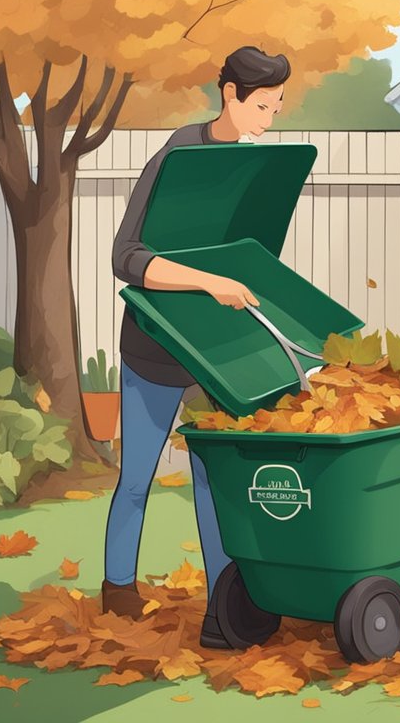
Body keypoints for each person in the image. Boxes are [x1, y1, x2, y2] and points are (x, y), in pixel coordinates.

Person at [104, 46, 287, 648]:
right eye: (263, 105)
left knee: (215, 482)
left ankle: (226, 602)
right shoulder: (178, 156)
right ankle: (118, 590)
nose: (270, 117)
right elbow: (127, 258)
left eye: (278, 105)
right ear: (230, 94)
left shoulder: (240, 164)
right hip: (156, 351)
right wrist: (209, 281)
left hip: (214, 356)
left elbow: (234, 253)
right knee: (138, 478)